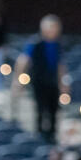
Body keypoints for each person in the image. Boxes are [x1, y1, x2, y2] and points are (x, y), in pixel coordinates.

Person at [14, 15, 67, 143]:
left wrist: (63, 83)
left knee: (53, 110)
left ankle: (52, 136)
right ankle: (39, 135)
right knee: (40, 109)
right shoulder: (35, 43)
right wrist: (18, 79)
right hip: (39, 82)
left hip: (52, 82)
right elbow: (23, 60)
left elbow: (60, 65)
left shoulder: (58, 45)